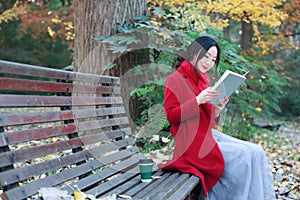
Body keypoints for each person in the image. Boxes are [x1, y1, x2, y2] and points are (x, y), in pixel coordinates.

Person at [158, 36, 276, 200]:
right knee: (243, 155)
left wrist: (217, 110)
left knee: (256, 151)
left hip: (206, 135)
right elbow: (171, 116)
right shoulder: (175, 79)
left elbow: (206, 120)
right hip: (189, 142)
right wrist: (198, 100)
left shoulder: (203, 80)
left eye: (213, 59)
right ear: (194, 52)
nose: (208, 62)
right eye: (206, 56)